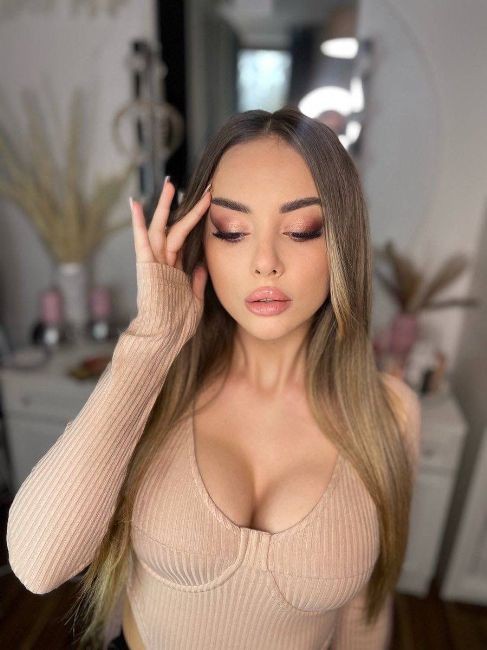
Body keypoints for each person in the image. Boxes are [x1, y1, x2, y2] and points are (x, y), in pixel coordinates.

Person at [7, 107, 421, 650]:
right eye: (232, 231)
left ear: (343, 241)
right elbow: (38, 565)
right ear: (202, 239)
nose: (265, 262)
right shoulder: (158, 383)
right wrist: (152, 341)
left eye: (301, 230)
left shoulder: (391, 413)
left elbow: (365, 610)